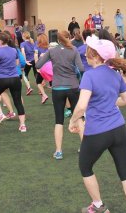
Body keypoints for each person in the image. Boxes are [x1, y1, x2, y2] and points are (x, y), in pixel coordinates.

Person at [69, 35, 126, 213]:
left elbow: (82, 105)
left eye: (89, 52)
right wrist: (109, 102)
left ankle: (98, 205)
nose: (86, 55)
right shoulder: (114, 74)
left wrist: (73, 120)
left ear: (98, 56)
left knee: (85, 167)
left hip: (98, 132)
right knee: (125, 171)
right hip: (119, 129)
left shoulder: (89, 76)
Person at [36, 30, 84, 160]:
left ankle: (58, 151)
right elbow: (81, 68)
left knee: (59, 120)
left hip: (58, 88)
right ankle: (84, 147)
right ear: (69, 38)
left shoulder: (52, 51)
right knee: (79, 117)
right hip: (73, 86)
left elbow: (38, 65)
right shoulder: (74, 50)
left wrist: (44, 57)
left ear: (57, 40)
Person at [0, 32, 27, 132]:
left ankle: (1, 114)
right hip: (15, 78)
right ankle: (22, 125)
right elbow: (17, 63)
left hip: (2, 79)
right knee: (18, 101)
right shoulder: (14, 50)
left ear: (0, 41)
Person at [34, 33, 51, 104]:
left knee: (38, 82)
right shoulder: (49, 47)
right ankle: (54, 99)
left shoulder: (37, 48)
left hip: (42, 67)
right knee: (53, 83)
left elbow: (36, 58)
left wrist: (37, 67)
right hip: (50, 67)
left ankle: (44, 95)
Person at [20, 32, 37, 96]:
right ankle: (40, 89)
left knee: (25, 74)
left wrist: (24, 60)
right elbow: (36, 51)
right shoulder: (33, 43)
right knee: (36, 74)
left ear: (23, 37)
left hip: (28, 61)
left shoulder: (22, 44)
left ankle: (29, 87)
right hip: (34, 60)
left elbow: (23, 52)